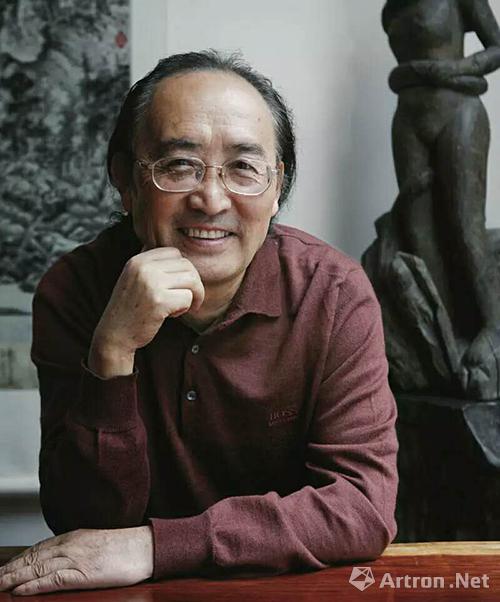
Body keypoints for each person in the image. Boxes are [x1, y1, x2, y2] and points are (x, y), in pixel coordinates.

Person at [0, 50, 398, 596]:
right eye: (179, 165)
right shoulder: (74, 291)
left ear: (276, 187)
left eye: (243, 168)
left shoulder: (333, 294)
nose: (211, 199)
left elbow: (361, 506)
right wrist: (111, 352)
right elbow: (85, 525)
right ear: (126, 180)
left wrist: (157, 546)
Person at [382, 0, 500, 380]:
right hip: (409, 117)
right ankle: (447, 341)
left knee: (466, 227)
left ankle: (493, 327)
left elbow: (497, 47)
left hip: (458, 111)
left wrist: (453, 70)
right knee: (419, 235)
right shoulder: (392, 8)